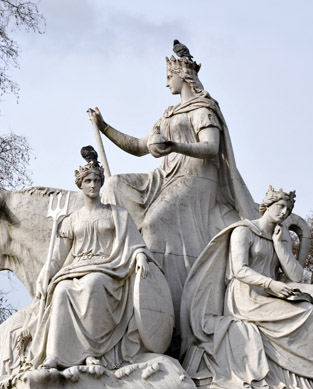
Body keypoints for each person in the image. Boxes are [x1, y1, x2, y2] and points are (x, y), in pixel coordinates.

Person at [88, 50, 257, 329]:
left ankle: (169, 300)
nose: (167, 83)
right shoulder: (168, 114)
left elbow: (211, 148)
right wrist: (104, 127)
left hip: (197, 177)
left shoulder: (203, 109)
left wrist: (176, 146)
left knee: (154, 224)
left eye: (169, 77)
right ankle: (122, 262)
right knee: (116, 184)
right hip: (164, 175)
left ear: (183, 76)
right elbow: (140, 147)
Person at [179, 187, 313, 389]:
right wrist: (271, 284)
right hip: (246, 298)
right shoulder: (244, 231)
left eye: (288, 208)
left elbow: (295, 276)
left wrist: (280, 246)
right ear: (268, 205)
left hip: (270, 295)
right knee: (307, 313)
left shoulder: (280, 236)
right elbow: (239, 269)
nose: (284, 212)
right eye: (280, 206)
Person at [28, 146, 158, 369]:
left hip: (108, 268)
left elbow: (135, 242)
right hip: (77, 268)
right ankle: (56, 355)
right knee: (61, 291)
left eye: (97, 181)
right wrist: (46, 272)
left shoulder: (117, 214)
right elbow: (58, 255)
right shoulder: (71, 219)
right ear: (80, 184)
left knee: (94, 283)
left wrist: (139, 255)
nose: (93, 185)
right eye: (88, 181)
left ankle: (91, 352)